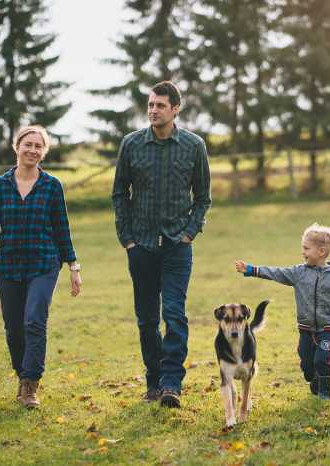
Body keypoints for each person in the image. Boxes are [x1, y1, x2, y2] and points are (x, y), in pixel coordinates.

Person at [112, 81, 211, 408]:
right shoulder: (131, 144)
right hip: (140, 246)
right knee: (147, 319)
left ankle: (172, 384)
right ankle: (153, 381)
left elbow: (203, 198)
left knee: (174, 313)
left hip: (176, 247)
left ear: (176, 109)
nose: (153, 110)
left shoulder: (194, 146)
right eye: (151, 104)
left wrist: (189, 233)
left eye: (160, 105)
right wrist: (127, 240)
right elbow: (119, 194)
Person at [0, 125, 82, 409]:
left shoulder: (52, 186)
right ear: (16, 146)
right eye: (27, 144)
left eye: (38, 146)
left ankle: (30, 385)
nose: (32, 150)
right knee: (13, 329)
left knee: (34, 320)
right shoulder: (0, 186)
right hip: (8, 266)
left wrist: (73, 265)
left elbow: (61, 228)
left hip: (44, 263)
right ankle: (23, 374)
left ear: (44, 152)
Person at [234, 223, 330, 400]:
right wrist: (252, 270)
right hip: (305, 328)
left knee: (322, 360)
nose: (303, 252)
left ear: (321, 252)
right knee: (307, 363)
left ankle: (324, 391)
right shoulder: (298, 273)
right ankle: (312, 378)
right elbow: (276, 273)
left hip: (326, 328)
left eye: (306, 248)